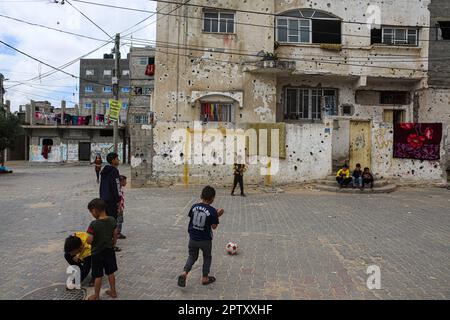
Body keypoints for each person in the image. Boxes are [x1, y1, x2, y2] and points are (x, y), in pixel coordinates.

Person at [178, 186, 224, 288]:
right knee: (207, 257)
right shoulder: (212, 211)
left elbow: (192, 217)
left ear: (201, 196)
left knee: (192, 256)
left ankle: (184, 273)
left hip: (193, 238)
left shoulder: (194, 206)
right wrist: (217, 215)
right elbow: (214, 226)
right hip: (205, 240)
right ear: (212, 198)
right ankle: (205, 278)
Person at [86, 198, 118, 300]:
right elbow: (115, 234)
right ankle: (113, 292)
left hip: (97, 253)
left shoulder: (93, 224)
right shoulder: (112, 220)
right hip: (109, 250)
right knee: (110, 272)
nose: (92, 214)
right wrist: (113, 243)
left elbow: (89, 240)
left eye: (91, 212)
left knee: (98, 275)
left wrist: (87, 239)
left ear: (95, 210)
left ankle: (96, 295)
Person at [99, 152, 121, 251]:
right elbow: (116, 186)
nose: (118, 160)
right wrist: (118, 199)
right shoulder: (114, 171)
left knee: (105, 221)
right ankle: (112, 245)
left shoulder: (104, 171)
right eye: (117, 158)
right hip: (112, 200)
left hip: (103, 199)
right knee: (113, 223)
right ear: (113, 160)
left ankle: (104, 242)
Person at [117, 175, 127, 240]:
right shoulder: (118, 189)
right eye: (125, 181)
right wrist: (119, 207)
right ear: (121, 181)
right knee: (119, 221)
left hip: (121, 206)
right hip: (119, 207)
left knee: (120, 220)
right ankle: (118, 233)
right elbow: (118, 199)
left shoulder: (120, 188)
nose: (126, 183)